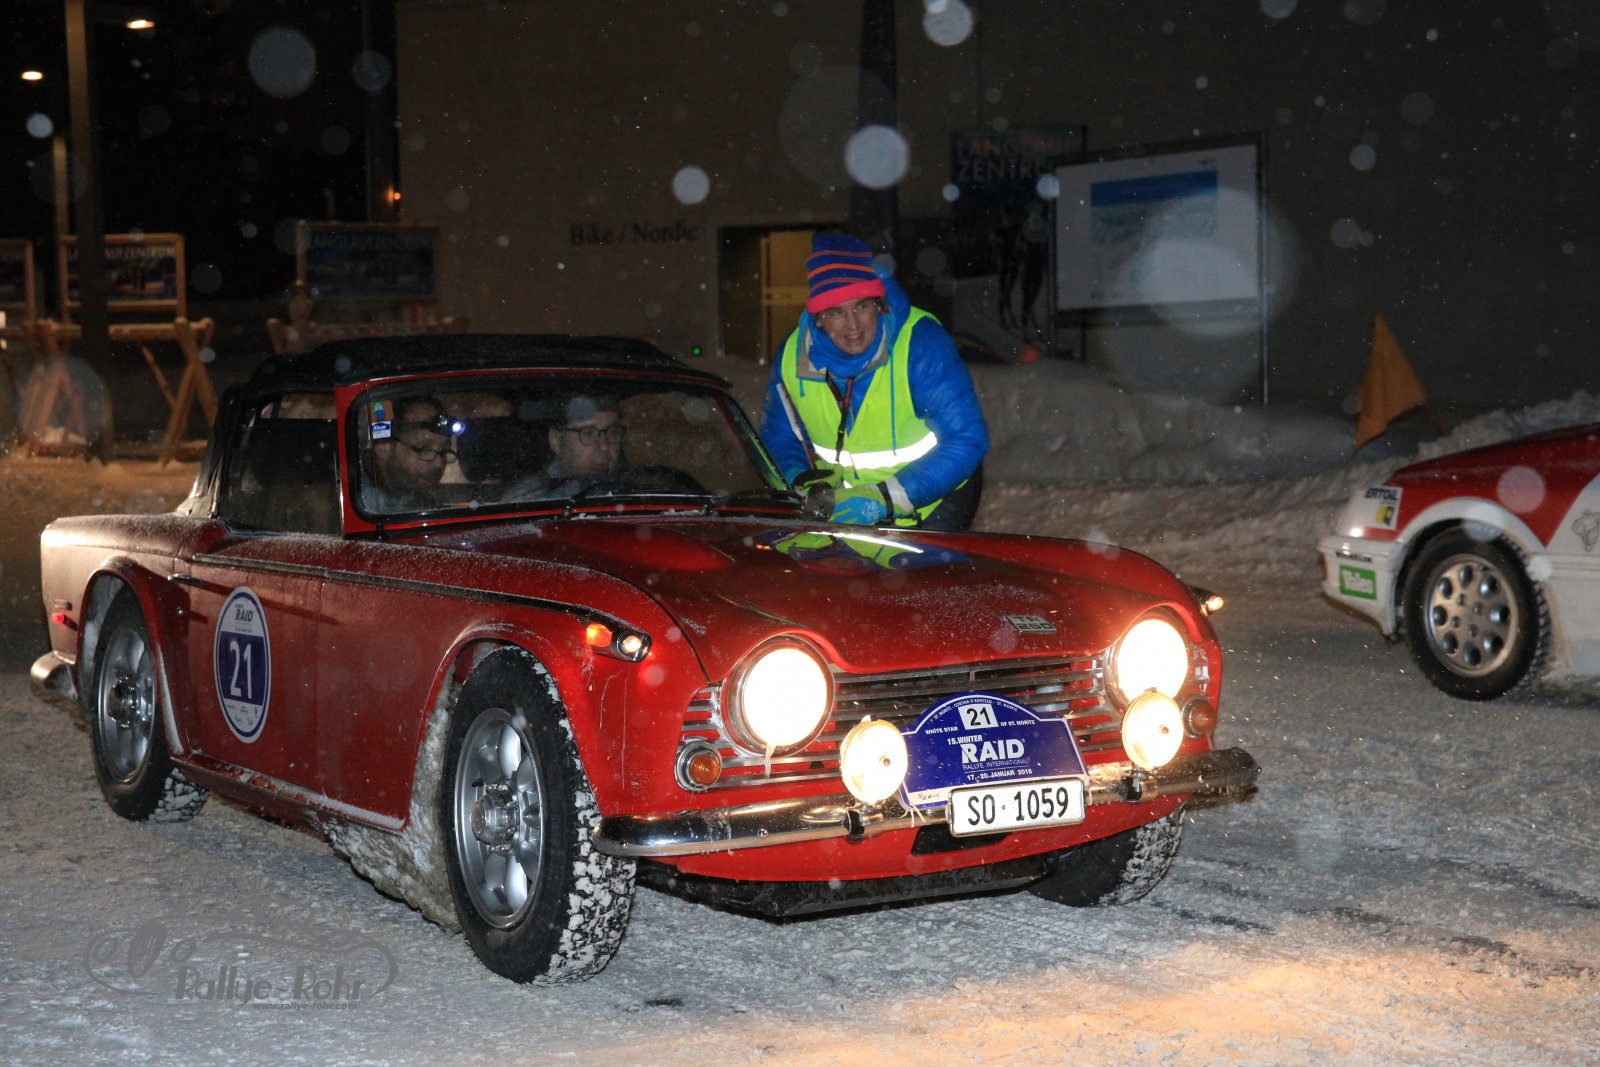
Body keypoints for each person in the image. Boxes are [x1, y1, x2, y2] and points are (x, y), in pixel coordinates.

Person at [760, 231, 988, 530]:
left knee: (917, 563)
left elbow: (966, 438)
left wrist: (886, 498)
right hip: (847, 505)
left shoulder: (920, 343)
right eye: (836, 312)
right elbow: (779, 436)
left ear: (879, 305)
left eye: (862, 306)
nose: (853, 324)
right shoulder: (791, 358)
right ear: (818, 318)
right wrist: (802, 479)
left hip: (935, 498)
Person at [365, 395, 454, 512]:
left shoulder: (417, 497)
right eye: (424, 448)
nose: (439, 464)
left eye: (444, 450)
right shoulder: (361, 503)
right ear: (382, 445)